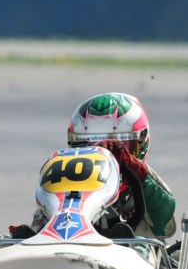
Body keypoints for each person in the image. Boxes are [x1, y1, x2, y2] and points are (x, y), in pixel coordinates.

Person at [20, 92, 176, 241]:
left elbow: (165, 225)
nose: (104, 154)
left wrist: (135, 171)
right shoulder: (67, 188)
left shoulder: (144, 180)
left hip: (134, 250)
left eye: (118, 146)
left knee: (141, 238)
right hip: (73, 244)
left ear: (142, 141)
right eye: (88, 145)